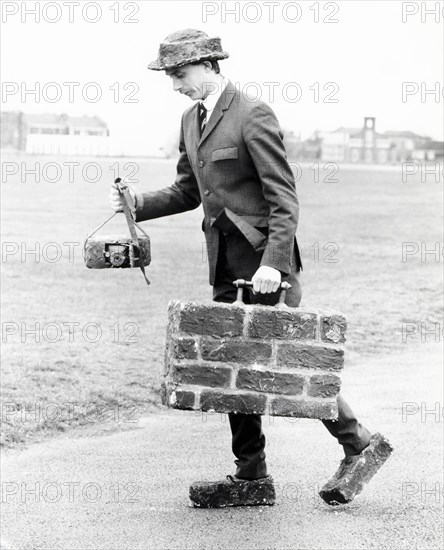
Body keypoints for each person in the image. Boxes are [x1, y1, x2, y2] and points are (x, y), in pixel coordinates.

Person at [109, 29, 392, 507]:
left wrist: (275, 265)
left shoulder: (252, 114)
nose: (176, 85)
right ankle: (251, 476)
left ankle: (360, 444)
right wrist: (136, 202)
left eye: (180, 74)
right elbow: (187, 191)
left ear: (208, 66)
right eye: (171, 77)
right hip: (224, 264)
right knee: (231, 368)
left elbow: (283, 198)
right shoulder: (189, 119)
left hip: (265, 267)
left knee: (284, 363)